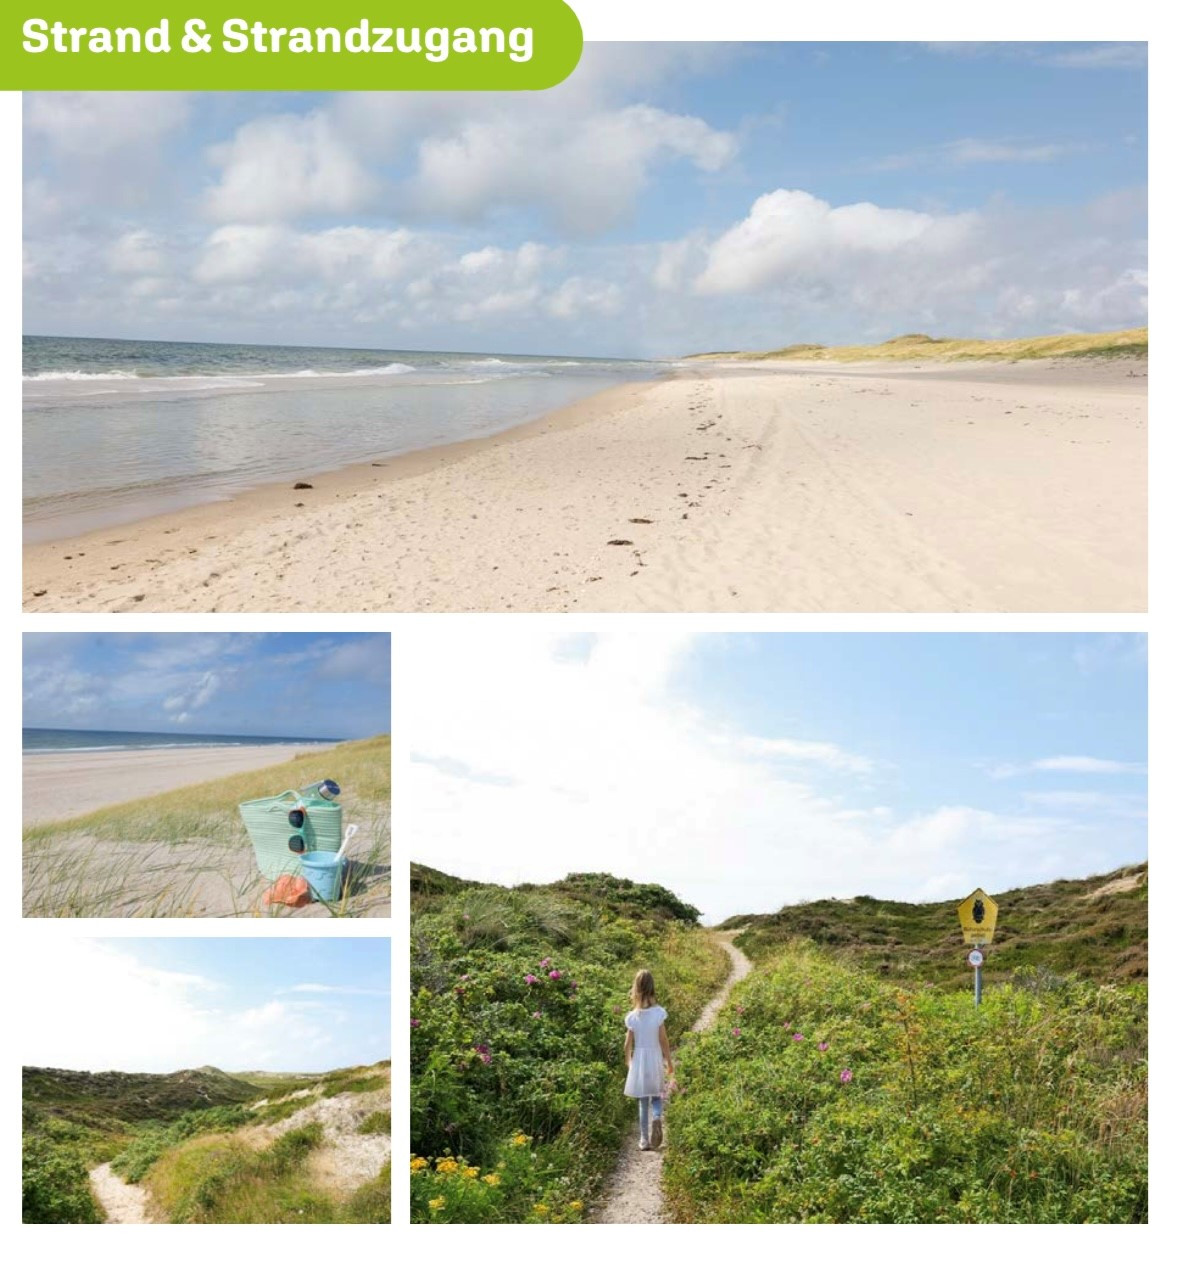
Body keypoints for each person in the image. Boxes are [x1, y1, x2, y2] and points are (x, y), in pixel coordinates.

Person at [622, 968, 673, 1151]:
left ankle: (644, 1141)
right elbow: (664, 1041)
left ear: (636, 989)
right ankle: (657, 1117)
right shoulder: (659, 1013)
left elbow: (627, 1045)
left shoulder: (632, 1017)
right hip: (655, 1058)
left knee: (643, 1101)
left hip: (640, 1060)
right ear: (653, 988)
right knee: (657, 1095)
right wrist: (669, 1062)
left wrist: (629, 1063)